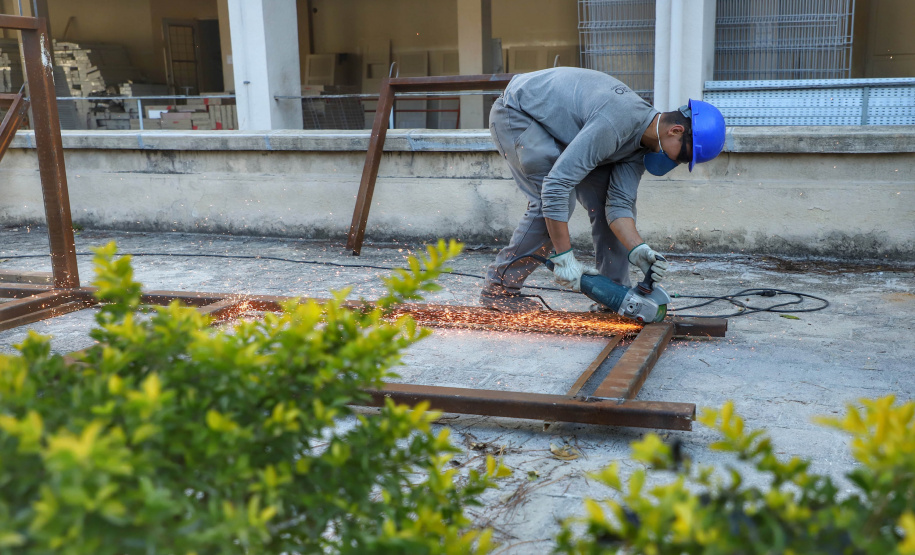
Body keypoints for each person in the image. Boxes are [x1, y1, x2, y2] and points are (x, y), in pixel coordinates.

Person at [480, 67, 726, 312]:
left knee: (604, 200)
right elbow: (556, 185)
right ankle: (499, 290)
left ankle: (615, 298)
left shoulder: (642, 146)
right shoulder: (618, 121)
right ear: (676, 131)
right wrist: (565, 258)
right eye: (684, 156)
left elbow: (618, 206)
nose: (679, 164)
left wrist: (639, 249)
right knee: (553, 202)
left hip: (564, 127)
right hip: (519, 111)